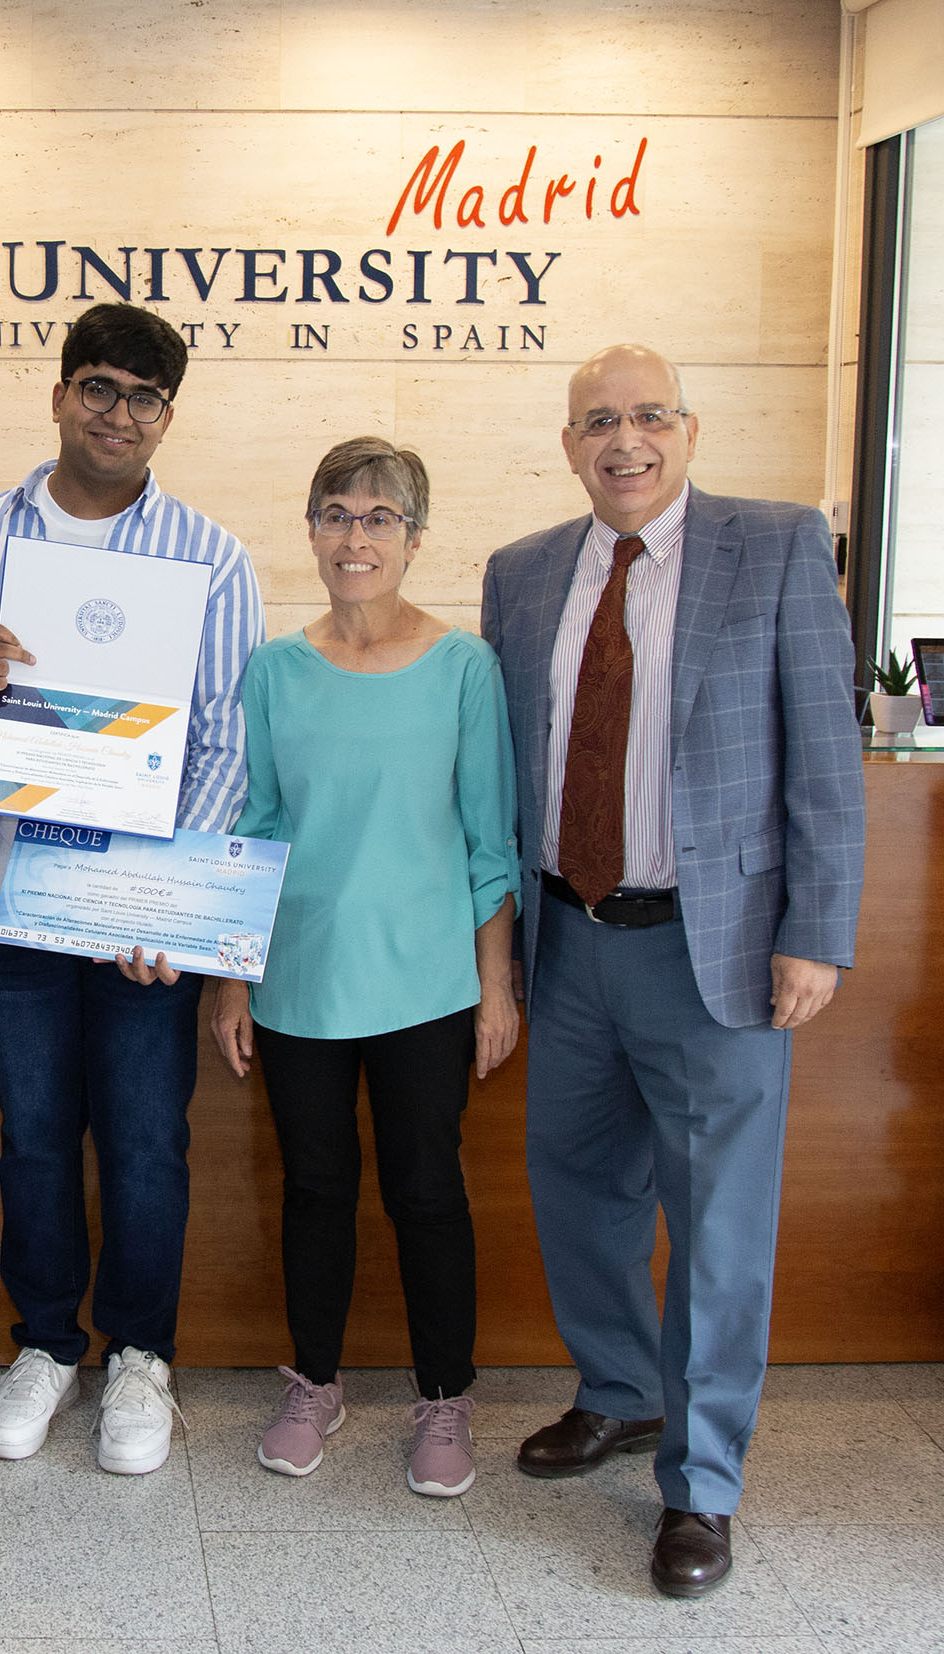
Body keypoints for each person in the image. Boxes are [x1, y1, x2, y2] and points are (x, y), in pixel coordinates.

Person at [481, 344, 863, 1596]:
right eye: (598, 420)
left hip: (722, 951)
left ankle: (699, 1485)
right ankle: (617, 1390)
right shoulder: (523, 575)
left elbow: (824, 751)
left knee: (715, 1233)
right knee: (579, 1191)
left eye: (647, 416)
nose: (623, 440)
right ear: (566, 443)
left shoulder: (776, 544)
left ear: (688, 431)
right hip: (568, 938)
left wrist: (817, 926)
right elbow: (509, 766)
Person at [0, 302, 262, 1475]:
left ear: (168, 416)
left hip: (135, 915)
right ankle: (44, 1343)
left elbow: (223, 746)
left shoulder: (210, 556)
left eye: (144, 397)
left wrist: (162, 899)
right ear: (60, 392)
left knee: (141, 1140)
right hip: (7, 887)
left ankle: (140, 1357)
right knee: (30, 1135)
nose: (118, 415)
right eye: (99, 387)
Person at [209, 437, 517, 1498]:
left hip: (427, 985)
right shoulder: (272, 670)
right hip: (300, 975)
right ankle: (315, 1382)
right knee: (314, 1187)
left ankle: (443, 1397)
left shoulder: (464, 667)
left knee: (426, 1190)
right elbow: (250, 828)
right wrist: (228, 973)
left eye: (378, 516)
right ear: (309, 531)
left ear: (413, 538)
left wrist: (497, 984)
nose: (354, 535)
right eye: (335, 513)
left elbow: (489, 843)